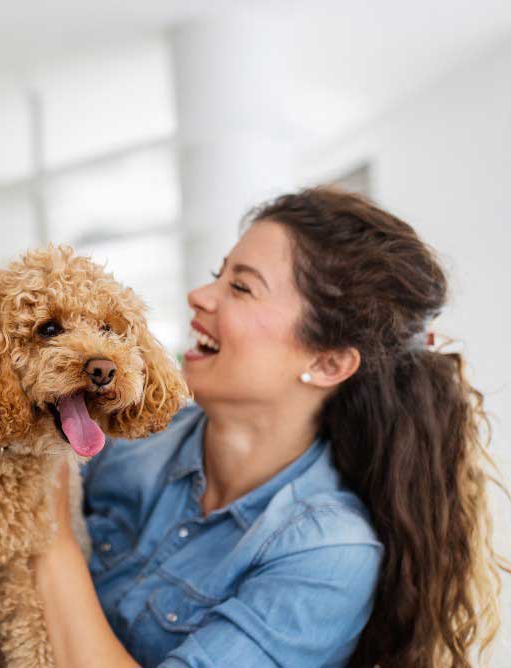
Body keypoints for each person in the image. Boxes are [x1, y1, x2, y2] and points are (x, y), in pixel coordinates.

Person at [30, 188, 506, 668]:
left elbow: (44, 537)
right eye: (219, 275)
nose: (199, 295)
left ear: (328, 362)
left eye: (241, 287)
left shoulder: (329, 554)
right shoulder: (129, 436)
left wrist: (47, 537)